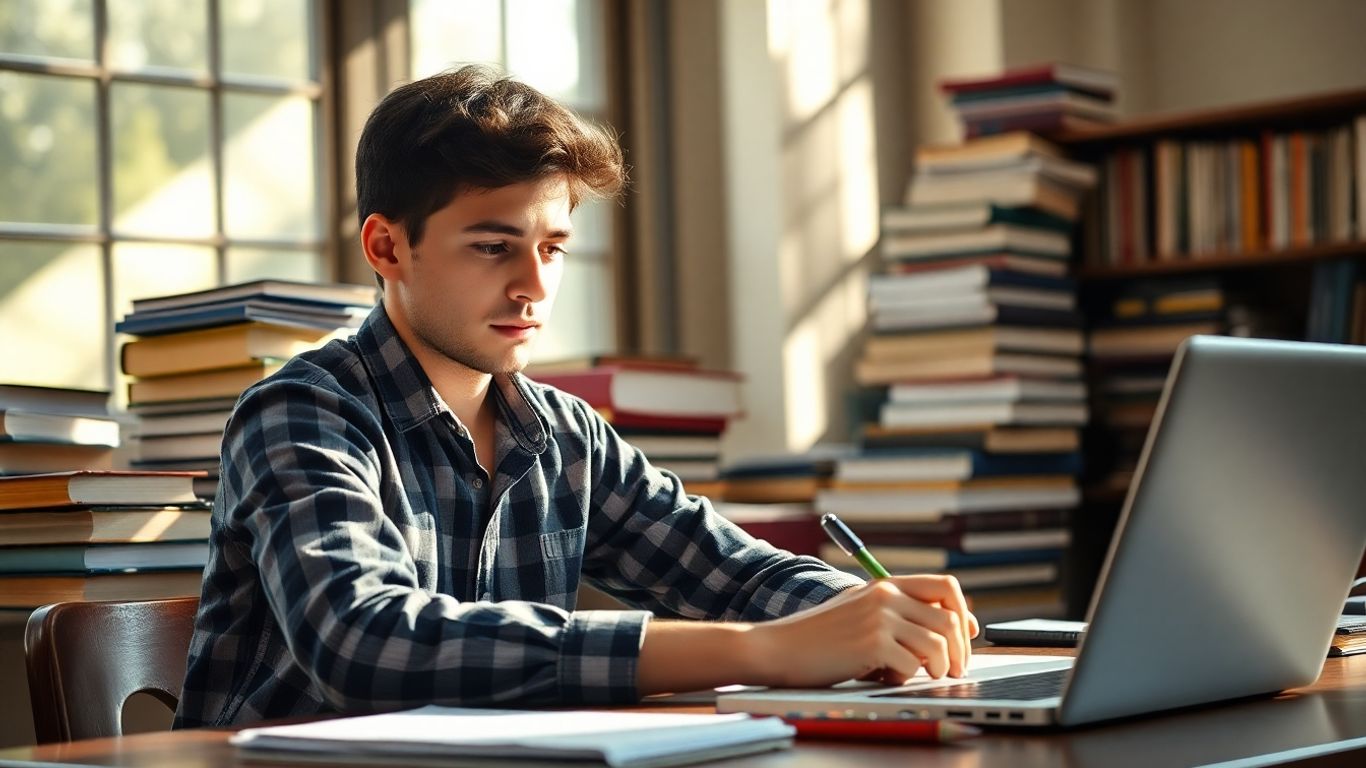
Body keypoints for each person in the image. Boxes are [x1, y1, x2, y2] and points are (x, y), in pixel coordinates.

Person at [174, 64, 978, 729]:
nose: (533, 287)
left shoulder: (561, 434)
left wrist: (869, 614)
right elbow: (364, 645)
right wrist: (759, 652)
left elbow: (726, 572)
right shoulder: (302, 413)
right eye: (494, 247)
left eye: (552, 249)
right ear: (389, 247)